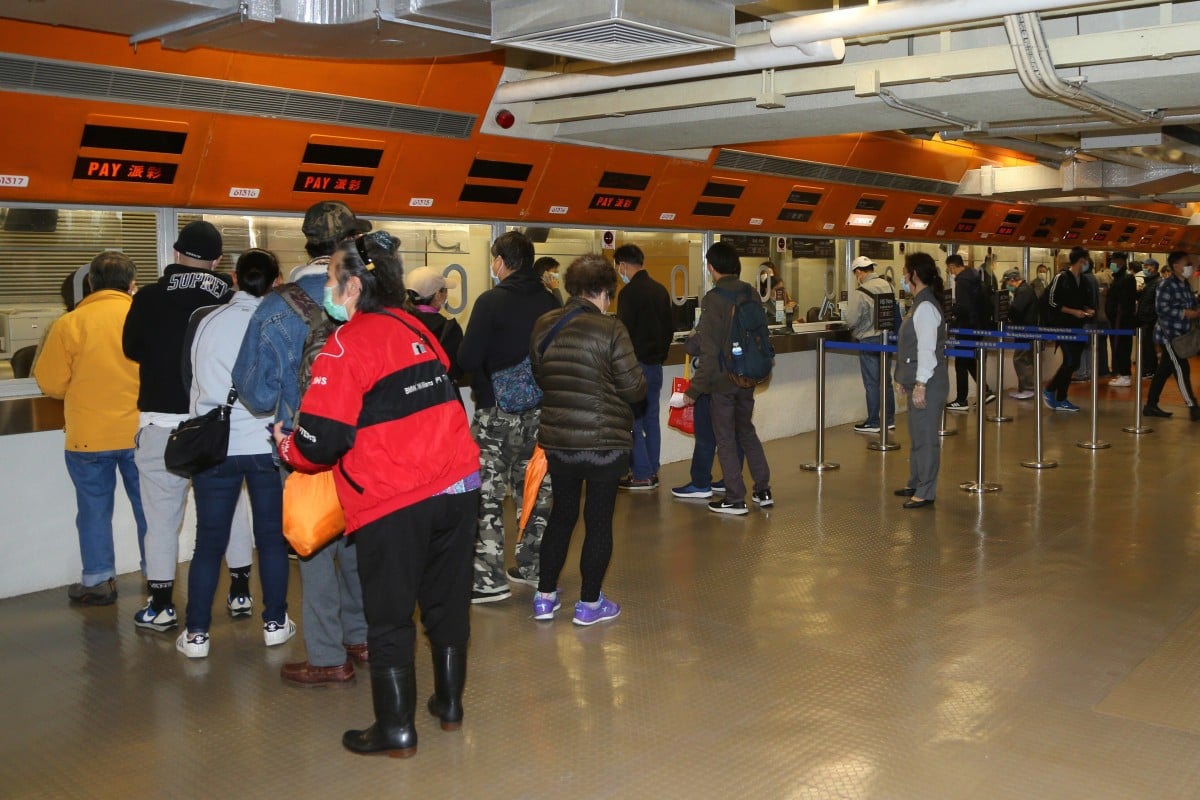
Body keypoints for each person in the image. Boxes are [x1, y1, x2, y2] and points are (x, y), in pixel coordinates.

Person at [274, 236, 480, 758]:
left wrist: (287, 447)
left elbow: (322, 442)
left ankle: (396, 730)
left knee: (389, 617)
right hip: (457, 484)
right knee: (446, 600)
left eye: (330, 277)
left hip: (395, 498)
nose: (324, 287)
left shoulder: (344, 345)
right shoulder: (417, 327)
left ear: (355, 285)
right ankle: (449, 706)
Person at [232, 199, 372, 688]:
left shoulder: (276, 306)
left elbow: (253, 391)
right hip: (366, 447)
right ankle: (363, 635)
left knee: (314, 550)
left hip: (306, 447)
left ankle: (330, 655)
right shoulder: (371, 297)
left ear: (307, 244)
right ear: (351, 241)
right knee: (357, 541)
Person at [177, 249, 291, 658]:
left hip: (216, 447)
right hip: (266, 445)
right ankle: (275, 624)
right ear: (277, 282)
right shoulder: (281, 322)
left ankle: (196, 635)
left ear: (234, 279)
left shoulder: (206, 320)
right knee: (272, 540)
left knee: (208, 542)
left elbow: (189, 378)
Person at [122, 220, 235, 632]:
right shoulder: (231, 299)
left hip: (160, 424)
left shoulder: (149, 297)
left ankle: (162, 606)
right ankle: (240, 594)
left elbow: (131, 348)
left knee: (161, 521)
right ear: (218, 260)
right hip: (215, 424)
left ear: (175, 253)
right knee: (229, 513)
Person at [529, 254, 646, 624]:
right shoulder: (611, 329)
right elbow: (634, 388)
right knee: (597, 520)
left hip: (559, 440)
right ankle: (589, 604)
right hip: (604, 443)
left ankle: (545, 597)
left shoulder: (545, 324)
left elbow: (541, 375)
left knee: (561, 516)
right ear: (606, 293)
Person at [34, 252, 147, 606]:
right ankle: (157, 574)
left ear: (91, 284)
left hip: (88, 437)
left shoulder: (70, 324)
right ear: (132, 285)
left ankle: (98, 581)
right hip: (141, 433)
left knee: (94, 509)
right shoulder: (144, 317)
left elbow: (50, 383)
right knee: (150, 508)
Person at [458, 230, 559, 601]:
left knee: (486, 493)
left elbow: (467, 360)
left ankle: (488, 580)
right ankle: (534, 567)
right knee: (534, 488)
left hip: (495, 415)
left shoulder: (490, 302)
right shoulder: (549, 301)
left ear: (501, 261)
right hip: (541, 413)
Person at [681, 241, 773, 516]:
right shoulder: (751, 293)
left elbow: (708, 352)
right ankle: (763, 489)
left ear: (711, 267)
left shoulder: (714, 298)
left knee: (725, 439)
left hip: (723, 381)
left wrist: (693, 391)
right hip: (747, 376)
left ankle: (735, 498)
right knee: (746, 431)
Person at [614, 243, 674, 491]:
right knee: (651, 419)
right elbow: (670, 328)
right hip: (655, 366)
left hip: (634, 367)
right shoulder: (660, 290)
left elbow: (622, 333)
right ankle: (652, 468)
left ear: (624, 265)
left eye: (618, 266)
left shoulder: (628, 295)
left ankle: (641, 474)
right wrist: (659, 355)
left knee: (633, 421)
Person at [893, 252, 948, 509]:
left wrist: (921, 383)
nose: (904, 277)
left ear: (914, 274)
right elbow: (909, 347)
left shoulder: (925, 307)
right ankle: (916, 481)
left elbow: (926, 350)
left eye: (905, 272)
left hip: (929, 382)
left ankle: (926, 490)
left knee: (926, 437)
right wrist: (903, 378)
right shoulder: (918, 304)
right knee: (917, 434)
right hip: (917, 378)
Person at [670, 334, 742, 499]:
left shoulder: (713, 316)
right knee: (733, 436)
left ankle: (700, 483)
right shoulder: (742, 312)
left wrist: (692, 336)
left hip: (711, 387)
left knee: (705, 436)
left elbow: (692, 347)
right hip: (736, 384)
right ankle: (731, 480)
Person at [1143, 251, 1200, 420]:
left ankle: (1151, 405)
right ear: (1176, 266)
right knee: (1182, 369)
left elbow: (1193, 304)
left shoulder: (1186, 285)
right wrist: (1184, 313)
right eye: (1186, 264)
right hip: (1169, 336)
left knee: (1163, 371)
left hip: (1181, 336)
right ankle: (1193, 406)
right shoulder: (1166, 285)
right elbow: (1161, 309)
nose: (1189, 267)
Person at [845, 255, 897, 433]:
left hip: (868, 340)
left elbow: (851, 320)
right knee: (886, 381)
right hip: (887, 338)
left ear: (859, 272)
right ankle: (889, 419)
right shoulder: (888, 285)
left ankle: (874, 421)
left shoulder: (860, 292)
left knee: (872, 383)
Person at [1043, 246, 1095, 413]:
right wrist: (1073, 311)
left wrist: (1087, 310)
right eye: (1086, 260)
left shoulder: (1084, 280)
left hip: (1078, 327)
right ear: (1081, 260)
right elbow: (1051, 301)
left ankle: (1061, 398)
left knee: (1074, 362)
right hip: (1062, 326)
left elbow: (1084, 301)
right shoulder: (1061, 277)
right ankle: (1051, 390)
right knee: (1071, 360)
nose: (1087, 263)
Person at [945, 254, 995, 411]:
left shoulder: (962, 282)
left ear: (953, 266)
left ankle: (961, 400)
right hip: (978, 326)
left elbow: (963, 307)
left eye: (949, 269)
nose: (950, 272)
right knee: (970, 361)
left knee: (961, 362)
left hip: (966, 327)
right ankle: (985, 390)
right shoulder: (975, 276)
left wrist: (950, 311)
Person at [406, 266, 464, 381]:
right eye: (445, 290)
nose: (446, 295)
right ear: (438, 295)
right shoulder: (449, 329)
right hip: (439, 394)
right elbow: (456, 371)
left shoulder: (398, 323)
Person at [1003, 269, 1039, 399]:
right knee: (1024, 358)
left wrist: (1007, 311)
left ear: (1012, 280)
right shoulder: (1025, 289)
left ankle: (1028, 388)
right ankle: (1024, 388)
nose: (1007, 285)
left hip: (1026, 330)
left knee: (1021, 359)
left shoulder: (1024, 291)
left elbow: (1016, 310)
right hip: (1025, 329)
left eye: (1007, 282)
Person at [1105, 253, 1138, 387]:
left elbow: (1124, 300)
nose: (1112, 264)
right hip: (1116, 319)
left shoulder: (1126, 278)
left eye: (1114, 261)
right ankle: (1122, 374)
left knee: (1122, 346)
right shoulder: (1118, 278)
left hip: (1121, 320)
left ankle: (1125, 375)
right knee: (1117, 346)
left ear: (1121, 262)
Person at [1135, 257, 1161, 378]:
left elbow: (1156, 303)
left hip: (1150, 320)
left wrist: (1152, 318)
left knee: (1149, 346)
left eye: (1147, 266)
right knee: (1146, 346)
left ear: (1154, 268)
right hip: (1145, 319)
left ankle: (1150, 369)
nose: (1144, 269)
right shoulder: (1148, 282)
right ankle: (1149, 369)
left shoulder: (1158, 283)